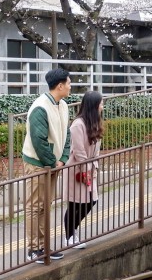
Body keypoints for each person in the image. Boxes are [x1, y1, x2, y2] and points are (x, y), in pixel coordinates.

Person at [22, 68, 72, 263]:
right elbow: (39, 141)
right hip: (38, 164)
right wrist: (54, 162)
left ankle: (43, 246)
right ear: (60, 85)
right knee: (35, 206)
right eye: (68, 83)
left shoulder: (63, 105)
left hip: (53, 164)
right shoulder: (40, 107)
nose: (70, 86)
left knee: (45, 205)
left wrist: (63, 158)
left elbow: (66, 134)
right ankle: (34, 249)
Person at [63, 90, 103, 249]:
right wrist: (86, 169)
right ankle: (69, 236)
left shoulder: (95, 122)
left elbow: (97, 149)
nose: (102, 105)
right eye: (100, 103)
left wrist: (94, 167)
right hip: (77, 170)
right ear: (93, 105)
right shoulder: (78, 124)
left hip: (89, 168)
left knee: (91, 201)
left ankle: (72, 231)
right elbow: (78, 151)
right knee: (75, 203)